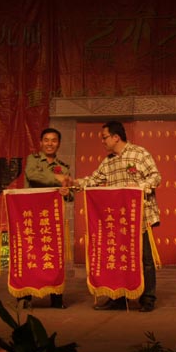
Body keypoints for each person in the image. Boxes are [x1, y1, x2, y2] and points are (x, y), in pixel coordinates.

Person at [75, 121, 161, 312]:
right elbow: (93, 180)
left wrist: (139, 188)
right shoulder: (108, 162)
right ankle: (119, 298)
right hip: (119, 220)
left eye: (104, 137)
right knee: (121, 258)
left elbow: (156, 177)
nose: (102, 141)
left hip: (141, 216)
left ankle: (148, 298)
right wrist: (74, 184)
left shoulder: (139, 153)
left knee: (145, 259)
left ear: (116, 137)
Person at [21, 127, 72, 309]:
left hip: (52, 218)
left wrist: (66, 191)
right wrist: (57, 178)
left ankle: (56, 297)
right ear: (41, 142)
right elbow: (32, 175)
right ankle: (25, 297)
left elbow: (70, 195)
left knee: (53, 256)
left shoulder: (64, 167)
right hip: (30, 215)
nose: (50, 144)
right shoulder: (33, 160)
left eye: (54, 140)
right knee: (30, 254)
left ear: (59, 144)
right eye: (46, 140)